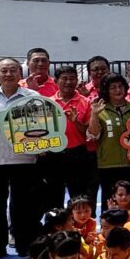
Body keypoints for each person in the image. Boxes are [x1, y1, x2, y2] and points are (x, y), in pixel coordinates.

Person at [0, 57, 40, 259]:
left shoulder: (32, 96)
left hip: (25, 159)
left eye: (13, 70)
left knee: (22, 205)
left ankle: (24, 244)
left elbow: (44, 126)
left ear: (20, 73)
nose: (9, 74)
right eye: (4, 70)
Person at [88, 75, 130, 212]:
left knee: (128, 199)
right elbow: (93, 135)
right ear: (106, 90)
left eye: (120, 86)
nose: (118, 90)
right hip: (107, 164)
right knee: (109, 200)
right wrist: (94, 115)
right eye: (113, 87)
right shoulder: (100, 110)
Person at [45, 65, 96, 209]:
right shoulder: (47, 103)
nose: (68, 82)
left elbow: (88, 132)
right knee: (54, 195)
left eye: (72, 78)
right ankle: (55, 229)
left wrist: (75, 121)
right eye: (64, 79)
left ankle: (78, 229)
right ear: (56, 81)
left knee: (78, 196)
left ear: (77, 81)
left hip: (77, 154)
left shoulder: (86, 102)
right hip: (53, 154)